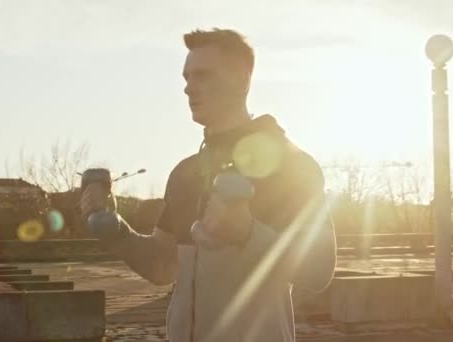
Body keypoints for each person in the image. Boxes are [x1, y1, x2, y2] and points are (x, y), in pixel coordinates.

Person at [81, 28, 337, 342]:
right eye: (186, 78)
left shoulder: (291, 165)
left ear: (241, 80)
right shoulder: (185, 173)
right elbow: (163, 267)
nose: (189, 88)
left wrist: (247, 233)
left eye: (202, 76)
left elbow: (320, 268)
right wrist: (116, 231)